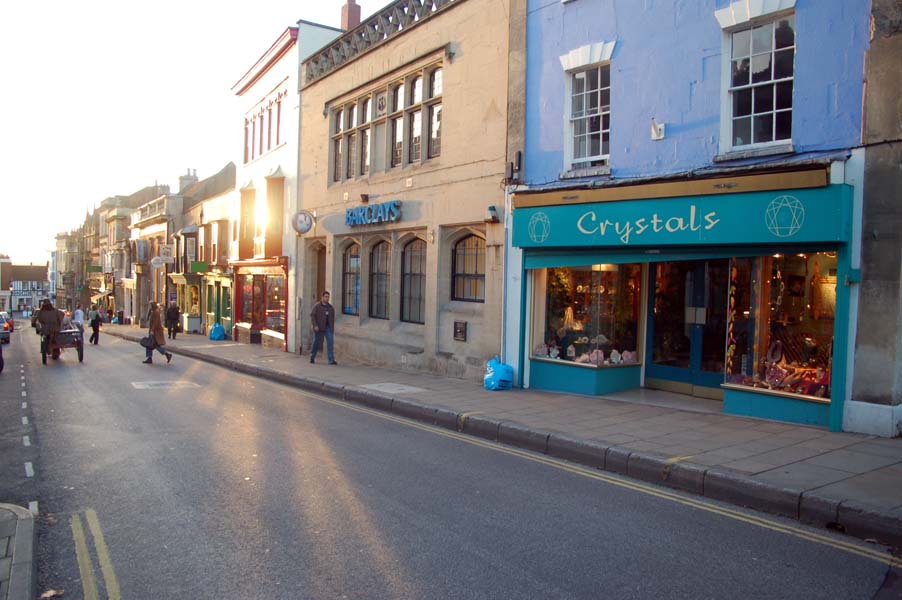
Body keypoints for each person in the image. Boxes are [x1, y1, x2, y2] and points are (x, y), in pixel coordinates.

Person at [309, 291, 336, 365]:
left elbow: (332, 318)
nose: (327, 298)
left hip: (328, 328)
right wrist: (315, 325)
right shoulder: (317, 306)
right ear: (322, 297)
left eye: (328, 297)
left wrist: (332, 328)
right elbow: (312, 316)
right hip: (319, 327)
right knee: (316, 343)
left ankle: (331, 359)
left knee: (330, 343)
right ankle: (312, 356)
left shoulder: (330, 308)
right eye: (326, 297)